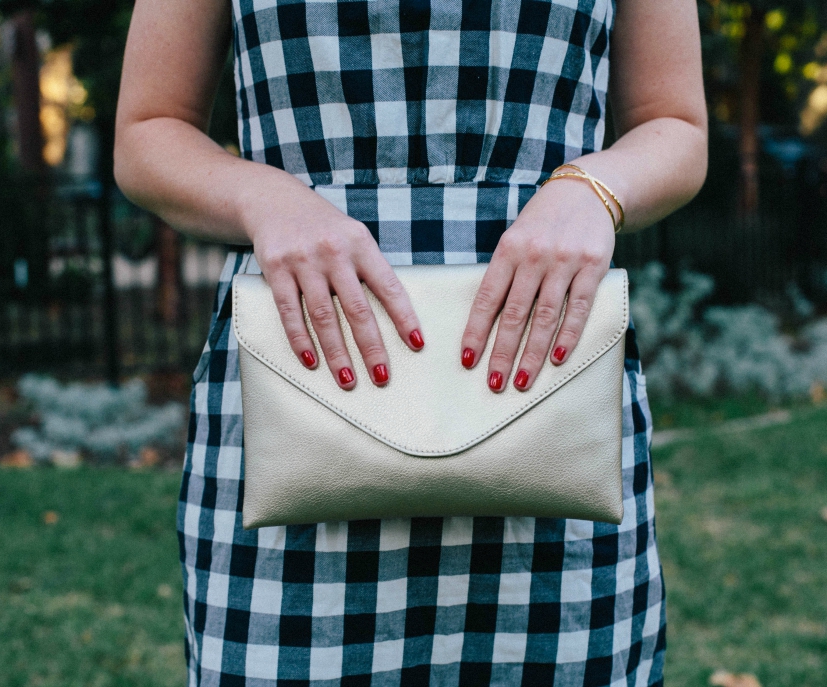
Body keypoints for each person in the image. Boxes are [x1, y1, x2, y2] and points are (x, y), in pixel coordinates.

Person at [115, 0, 706, 683]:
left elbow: (677, 124)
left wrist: (595, 188)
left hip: (553, 393)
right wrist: (267, 198)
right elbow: (146, 130)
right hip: (300, 379)